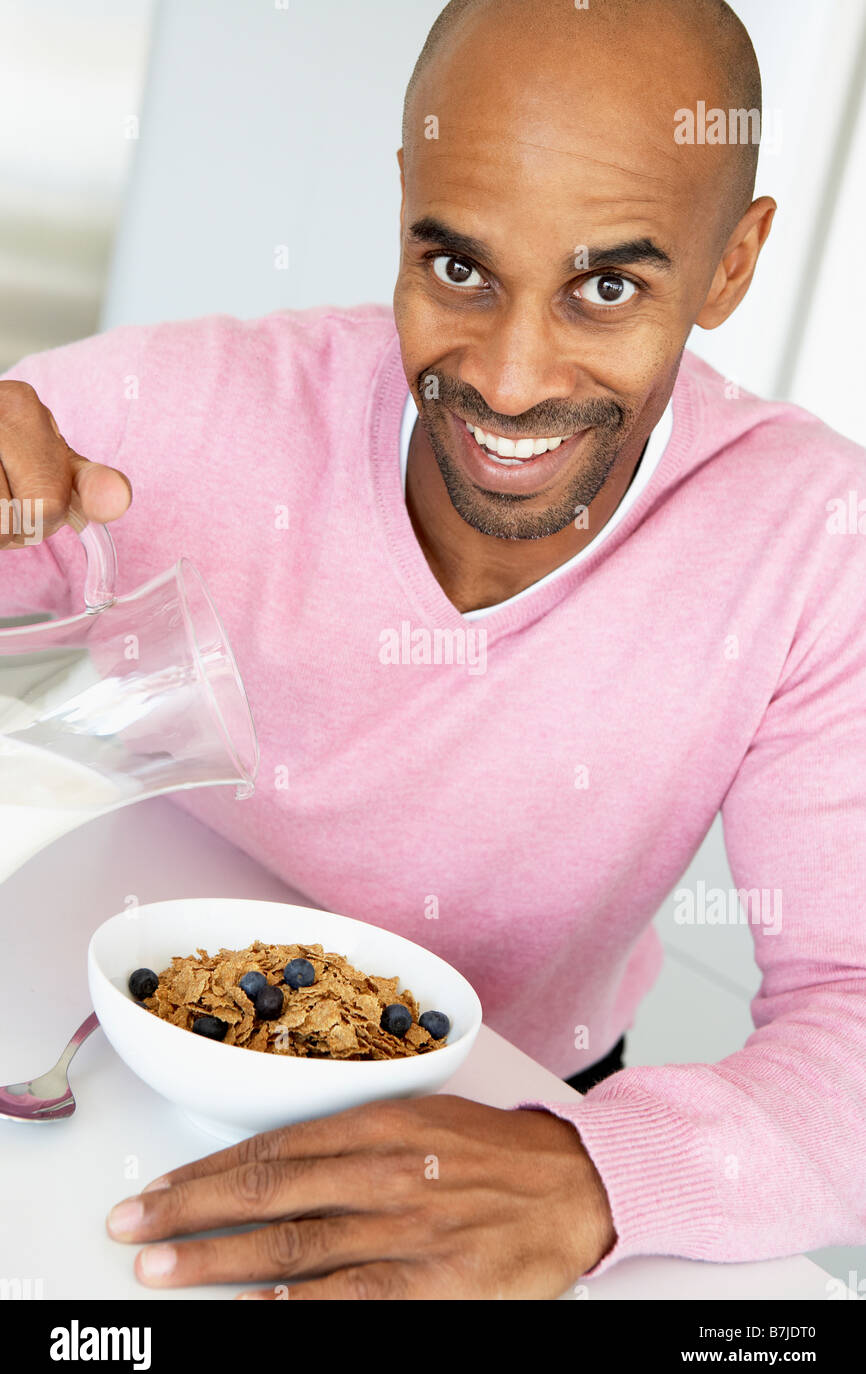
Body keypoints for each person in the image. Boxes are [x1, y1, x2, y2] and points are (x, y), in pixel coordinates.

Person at [1, 0, 864, 1300]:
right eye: (457, 268)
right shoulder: (186, 414)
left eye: (607, 287)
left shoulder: (810, 539)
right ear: (405, 202)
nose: (508, 382)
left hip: (516, 1112)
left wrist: (595, 1174)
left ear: (731, 264)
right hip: (119, 1037)